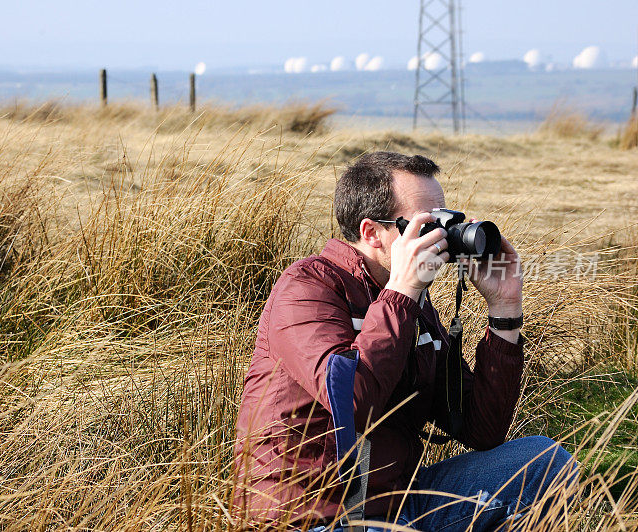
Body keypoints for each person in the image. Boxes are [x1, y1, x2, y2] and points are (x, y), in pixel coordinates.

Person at [232, 152, 577, 530]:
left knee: (543, 462)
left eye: (447, 221)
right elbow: (351, 404)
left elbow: (483, 429)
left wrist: (504, 309)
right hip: (315, 516)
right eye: (425, 225)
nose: (441, 239)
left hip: (397, 506)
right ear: (372, 232)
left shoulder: (413, 303)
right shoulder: (307, 288)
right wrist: (403, 290)